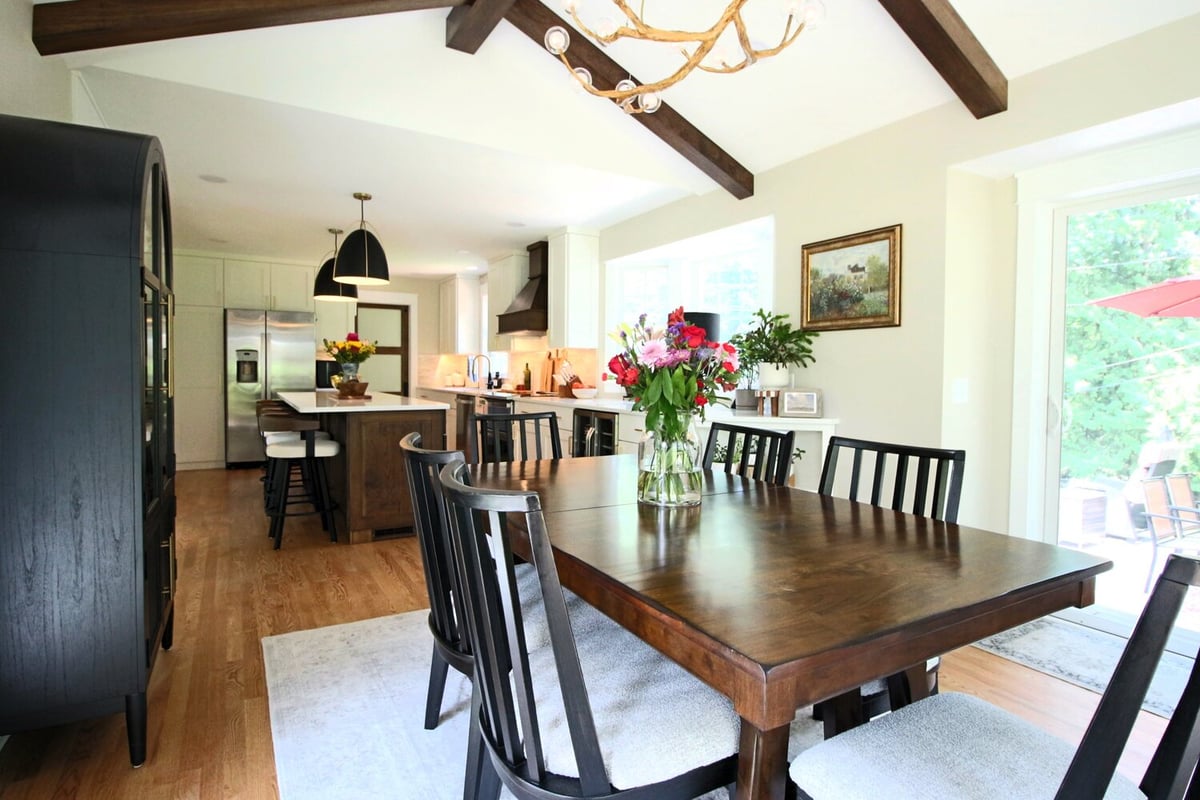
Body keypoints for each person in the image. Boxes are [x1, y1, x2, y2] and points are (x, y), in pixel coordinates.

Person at [1123, 425, 1183, 530]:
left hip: (1143, 486)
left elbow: (1143, 463)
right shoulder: (1171, 451)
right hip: (1151, 488)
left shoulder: (1154, 448)